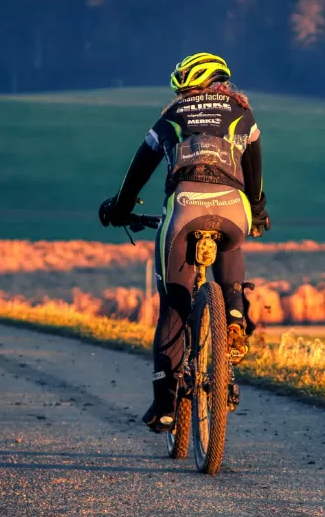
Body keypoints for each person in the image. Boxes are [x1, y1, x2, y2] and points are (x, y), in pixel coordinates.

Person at [98, 52, 270, 432]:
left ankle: (165, 406)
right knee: (231, 236)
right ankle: (236, 313)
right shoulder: (243, 113)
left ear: (186, 89)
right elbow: (254, 172)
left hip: (184, 209)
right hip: (233, 210)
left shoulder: (172, 117)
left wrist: (120, 207)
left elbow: (138, 170)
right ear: (220, 84)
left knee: (174, 307)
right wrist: (257, 213)